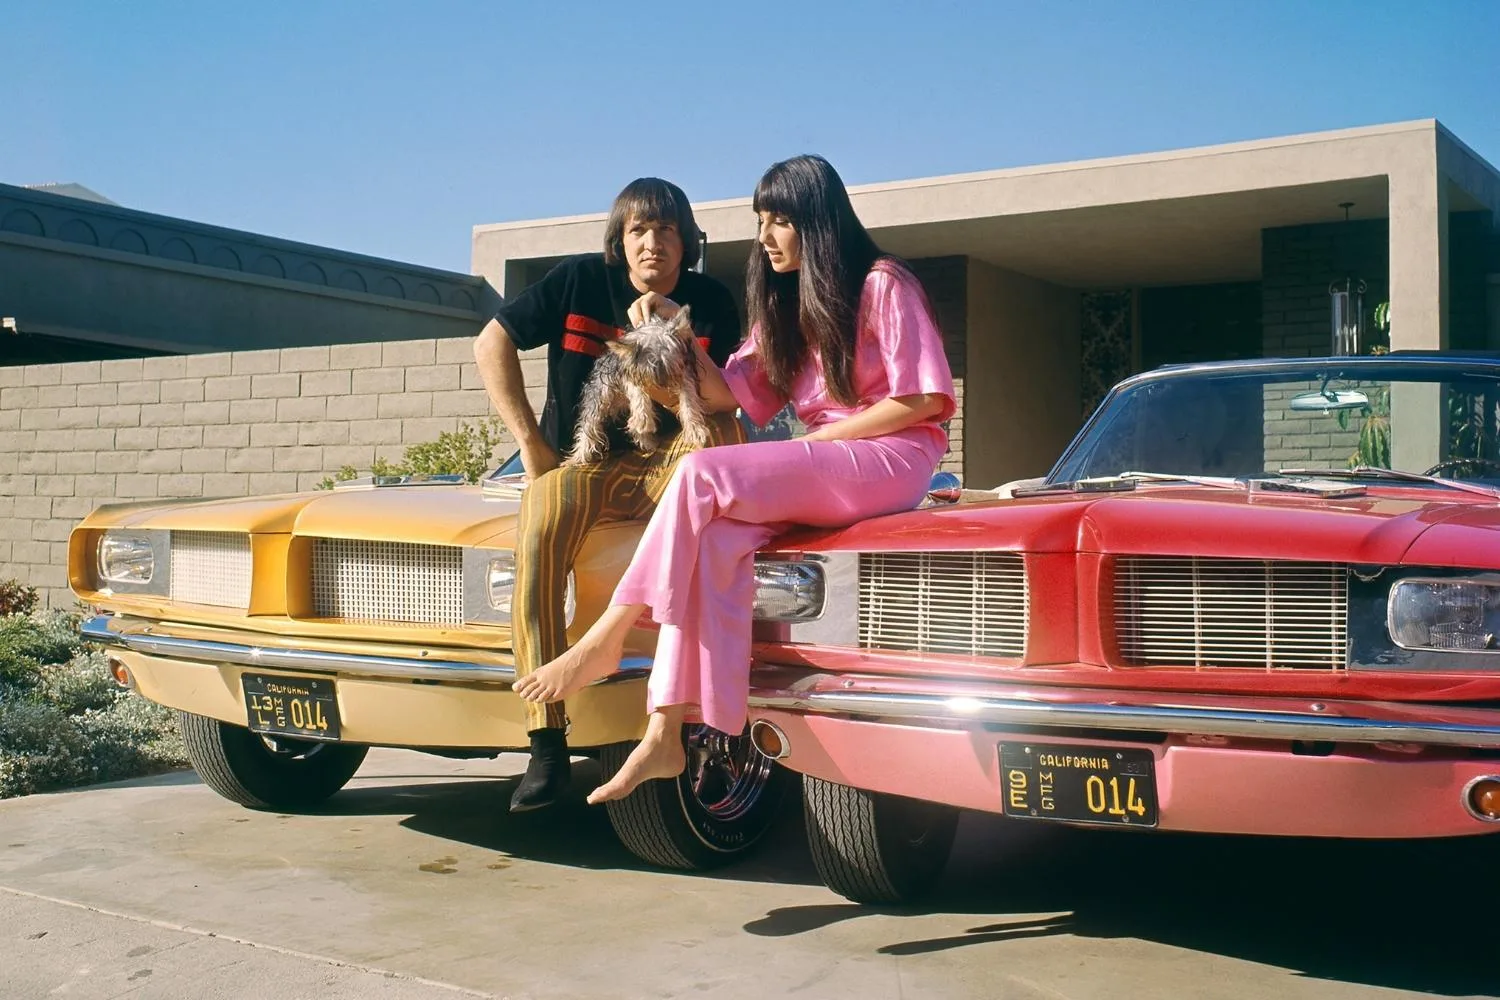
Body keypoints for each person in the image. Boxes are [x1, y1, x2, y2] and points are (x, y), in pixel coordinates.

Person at [514, 155, 956, 804]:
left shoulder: (880, 282)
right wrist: (669, 329)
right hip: (832, 466)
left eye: (781, 220)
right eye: (761, 222)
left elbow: (922, 400)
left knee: (697, 474)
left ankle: (608, 636)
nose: (766, 236)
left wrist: (820, 440)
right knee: (714, 545)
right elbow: (725, 395)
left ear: (818, 221)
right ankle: (669, 731)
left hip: (894, 456)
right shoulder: (784, 305)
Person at [472, 178, 743, 812]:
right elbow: (491, 341)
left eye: (669, 231)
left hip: (676, 464)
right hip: (588, 460)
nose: (654, 244)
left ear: (688, 243)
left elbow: (725, 407)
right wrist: (534, 445)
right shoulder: (575, 282)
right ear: (618, 244)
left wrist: (669, 337)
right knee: (537, 518)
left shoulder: (710, 301)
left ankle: (685, 720)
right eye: (639, 231)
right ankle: (546, 744)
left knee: (720, 439)